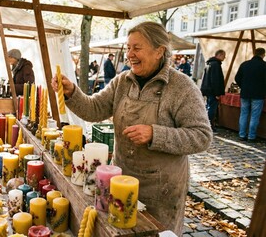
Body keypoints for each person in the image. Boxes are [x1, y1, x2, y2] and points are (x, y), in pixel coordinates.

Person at [51, 21, 212, 235]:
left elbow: (202, 136)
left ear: (159, 51)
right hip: (120, 179)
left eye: (137, 48)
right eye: (128, 48)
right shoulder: (122, 81)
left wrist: (156, 134)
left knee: (152, 233)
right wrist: (72, 92)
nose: (130, 54)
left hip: (160, 190)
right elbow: (94, 109)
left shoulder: (181, 87)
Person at [235, 48, 266, 142]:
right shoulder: (264, 66)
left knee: (243, 114)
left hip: (245, 93)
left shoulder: (244, 64)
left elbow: (237, 78)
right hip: (258, 94)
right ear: (263, 54)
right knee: (254, 116)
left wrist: (243, 86)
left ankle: (242, 134)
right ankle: (251, 136)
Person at [200, 49, 226, 131]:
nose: (225, 57)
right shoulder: (215, 65)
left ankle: (206, 124)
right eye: (224, 55)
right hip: (212, 91)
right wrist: (217, 93)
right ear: (220, 55)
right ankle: (208, 125)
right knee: (211, 108)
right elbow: (215, 80)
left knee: (209, 107)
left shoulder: (210, 63)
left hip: (207, 89)